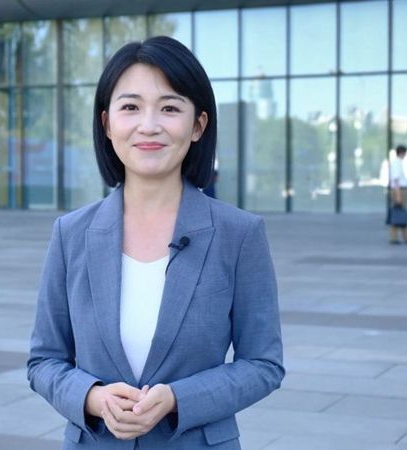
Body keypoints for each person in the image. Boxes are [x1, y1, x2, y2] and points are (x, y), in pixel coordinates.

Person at [27, 36, 284, 449]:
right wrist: (92, 398)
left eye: (169, 108)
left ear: (198, 125)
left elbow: (263, 364)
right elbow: (44, 361)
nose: (149, 125)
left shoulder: (239, 233)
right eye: (130, 107)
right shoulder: (70, 233)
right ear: (107, 123)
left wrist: (179, 399)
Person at [388, 145, 407, 245]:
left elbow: (401, 180)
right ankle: (395, 237)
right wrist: (398, 196)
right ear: (402, 152)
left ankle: (406, 236)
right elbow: (396, 181)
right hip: (400, 191)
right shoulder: (396, 163)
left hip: (401, 190)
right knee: (398, 213)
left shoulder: (399, 163)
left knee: (402, 213)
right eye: (405, 153)